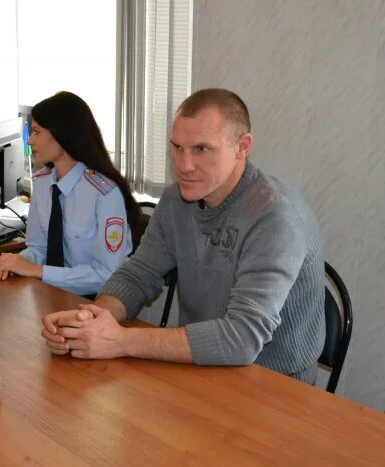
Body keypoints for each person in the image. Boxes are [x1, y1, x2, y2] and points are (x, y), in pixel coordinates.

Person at [41, 88, 324, 382]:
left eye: (201, 149)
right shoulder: (177, 200)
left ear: (242, 147)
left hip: (275, 381)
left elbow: (242, 337)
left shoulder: (276, 217)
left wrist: (121, 341)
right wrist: (92, 319)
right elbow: (138, 274)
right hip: (203, 364)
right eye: (177, 148)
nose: (184, 166)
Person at [0, 91, 141, 296]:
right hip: (51, 296)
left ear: (62, 135)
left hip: (94, 303)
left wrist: (38, 271)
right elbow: (39, 248)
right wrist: (16, 262)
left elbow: (106, 276)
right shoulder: (43, 185)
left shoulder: (104, 194)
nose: (30, 141)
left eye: (37, 132)